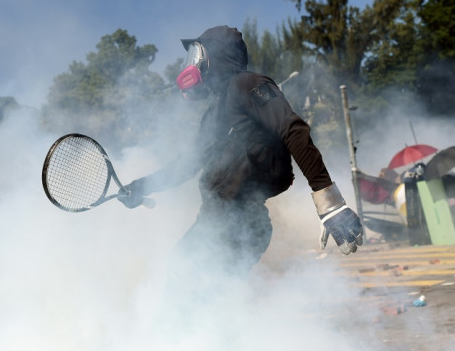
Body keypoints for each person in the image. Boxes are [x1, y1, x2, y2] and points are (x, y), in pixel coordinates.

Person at [117, 25, 363, 314]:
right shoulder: (215, 112)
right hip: (214, 222)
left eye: (197, 54)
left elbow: (293, 129)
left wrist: (328, 201)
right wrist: (141, 186)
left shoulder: (247, 84)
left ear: (216, 57)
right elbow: (187, 163)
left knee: (195, 305)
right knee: (195, 302)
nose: (191, 63)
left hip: (239, 221)